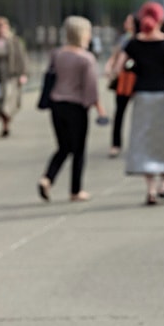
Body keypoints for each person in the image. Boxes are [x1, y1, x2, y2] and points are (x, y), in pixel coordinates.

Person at [113, 0, 164, 206]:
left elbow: (121, 68)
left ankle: (151, 190)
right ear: (161, 19)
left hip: (143, 95)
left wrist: (135, 67)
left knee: (144, 138)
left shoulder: (133, 44)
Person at [38, 16, 106, 202]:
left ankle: (47, 178)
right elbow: (91, 87)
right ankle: (76, 190)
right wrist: (99, 108)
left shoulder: (57, 54)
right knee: (78, 149)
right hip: (76, 105)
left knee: (63, 146)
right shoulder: (86, 58)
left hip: (56, 103)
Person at [0, 16, 28, 137]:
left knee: (8, 101)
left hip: (10, 75)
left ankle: (6, 125)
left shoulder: (14, 41)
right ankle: (2, 119)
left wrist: (23, 74)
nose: (1, 29)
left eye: (3, 26)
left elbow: (22, 58)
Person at [104, 13, 137, 157]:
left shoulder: (138, 39)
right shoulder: (124, 38)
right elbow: (117, 55)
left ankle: (133, 143)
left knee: (138, 112)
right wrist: (111, 67)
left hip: (136, 77)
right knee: (120, 111)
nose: (126, 23)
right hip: (124, 78)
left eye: (129, 21)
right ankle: (116, 143)